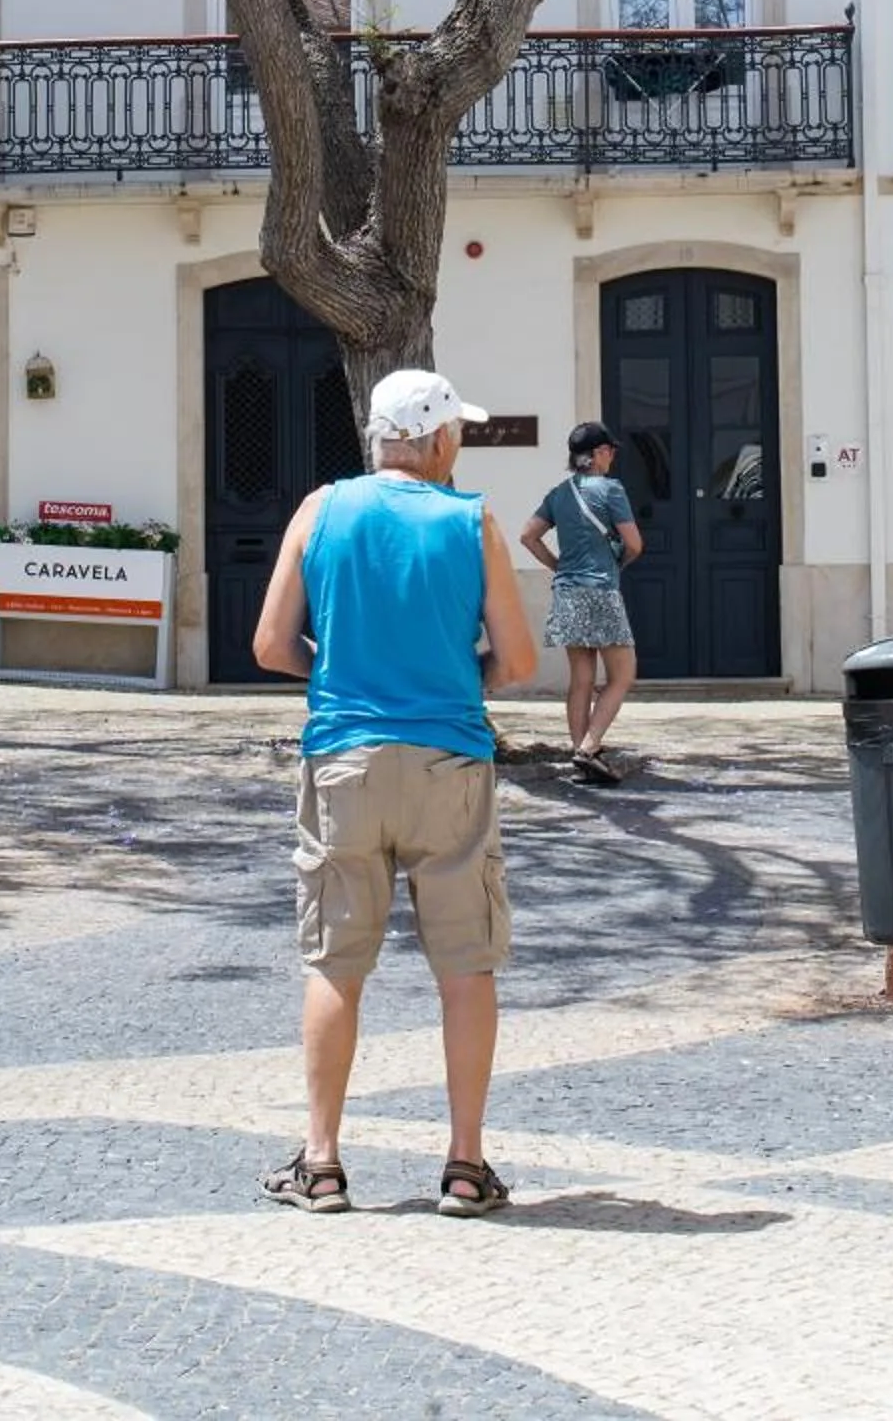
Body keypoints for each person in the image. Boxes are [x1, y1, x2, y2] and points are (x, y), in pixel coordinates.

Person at [251, 365, 537, 1218]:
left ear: (380, 437)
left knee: (336, 962)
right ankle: (463, 1165)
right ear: (441, 439)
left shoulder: (320, 510)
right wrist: (455, 675)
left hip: (343, 755)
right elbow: (518, 664)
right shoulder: (471, 519)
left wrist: (336, 672)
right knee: (465, 964)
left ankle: (324, 1163)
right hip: (448, 758)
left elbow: (270, 644)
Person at [519, 422, 643, 785]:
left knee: (581, 679)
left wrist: (560, 566)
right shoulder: (611, 490)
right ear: (600, 453)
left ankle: (580, 751)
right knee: (622, 675)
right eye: (611, 450)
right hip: (601, 590)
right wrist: (616, 564)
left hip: (568, 592)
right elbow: (634, 544)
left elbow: (528, 536)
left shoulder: (559, 493)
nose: (614, 457)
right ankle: (588, 748)